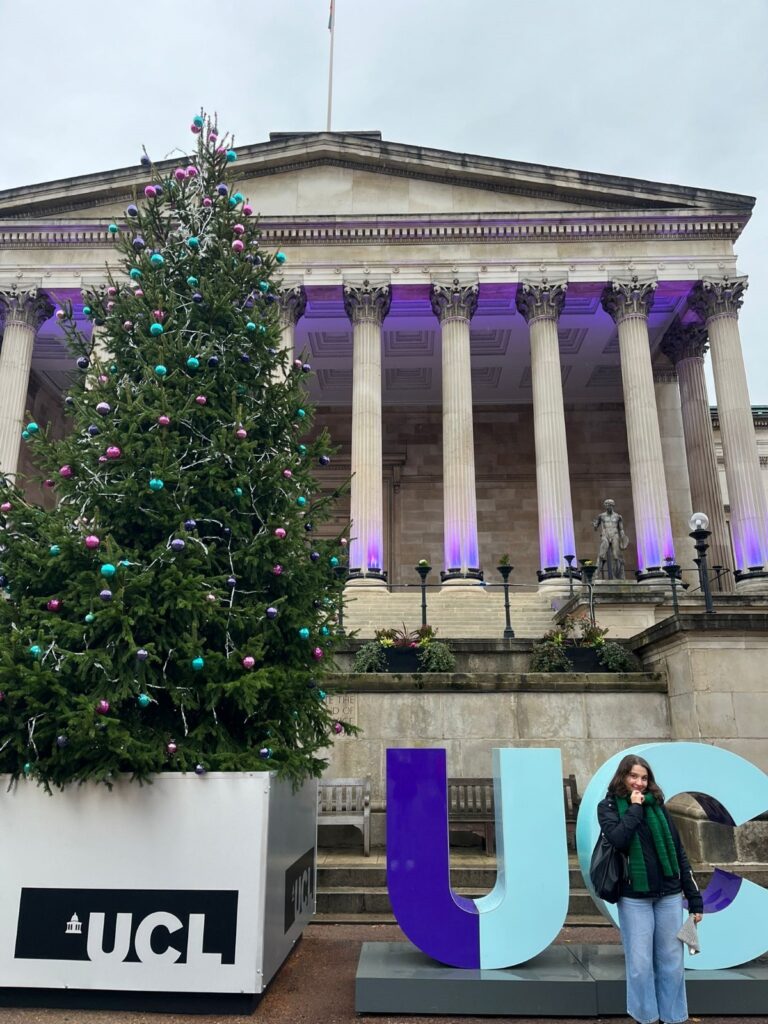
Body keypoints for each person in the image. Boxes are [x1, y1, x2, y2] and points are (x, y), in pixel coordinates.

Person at [597, 755, 703, 1024]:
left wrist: (694, 898)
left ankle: (673, 1017)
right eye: (634, 776)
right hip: (634, 897)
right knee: (640, 965)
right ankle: (646, 1018)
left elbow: (679, 852)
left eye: (644, 778)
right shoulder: (608, 806)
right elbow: (619, 839)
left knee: (672, 962)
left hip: (668, 893)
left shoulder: (659, 808)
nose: (639, 783)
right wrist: (634, 808)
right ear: (622, 777)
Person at [593, 498, 629, 579]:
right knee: (601, 555)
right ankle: (595, 575)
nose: (607, 506)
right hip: (605, 535)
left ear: (612, 506)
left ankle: (617, 576)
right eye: (606, 505)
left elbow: (621, 529)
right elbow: (596, 526)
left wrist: (623, 536)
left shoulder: (618, 517)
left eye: (608, 505)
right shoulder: (601, 516)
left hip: (615, 535)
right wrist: (595, 526)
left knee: (616, 556)